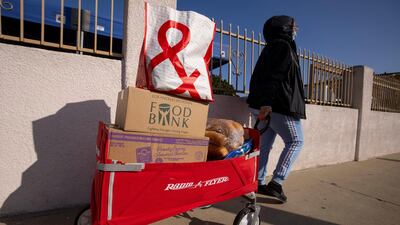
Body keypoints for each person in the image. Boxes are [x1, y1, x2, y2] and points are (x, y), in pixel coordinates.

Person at [246, 15, 306, 203]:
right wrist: (266, 103)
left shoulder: (271, 47)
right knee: (296, 141)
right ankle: (276, 183)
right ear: (284, 29)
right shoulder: (283, 46)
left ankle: (257, 181)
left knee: (265, 145)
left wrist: (263, 103)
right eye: (293, 27)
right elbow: (275, 76)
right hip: (277, 105)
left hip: (266, 104)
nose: (296, 30)